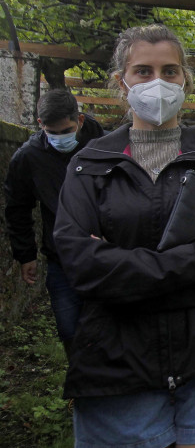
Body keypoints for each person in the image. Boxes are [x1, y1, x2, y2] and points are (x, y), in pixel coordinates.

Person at [52, 24, 195, 448]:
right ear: (120, 81)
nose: (157, 82)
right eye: (142, 71)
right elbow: (82, 268)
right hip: (122, 362)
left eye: (169, 71)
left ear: (185, 79)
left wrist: (122, 271)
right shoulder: (88, 165)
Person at [4, 89, 106, 356]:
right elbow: (17, 207)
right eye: (53, 132)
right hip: (63, 258)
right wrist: (25, 254)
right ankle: (80, 384)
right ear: (40, 125)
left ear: (80, 120)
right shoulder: (28, 158)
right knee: (70, 329)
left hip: (108, 253)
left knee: (110, 324)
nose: (60, 138)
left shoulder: (106, 148)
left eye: (67, 130)